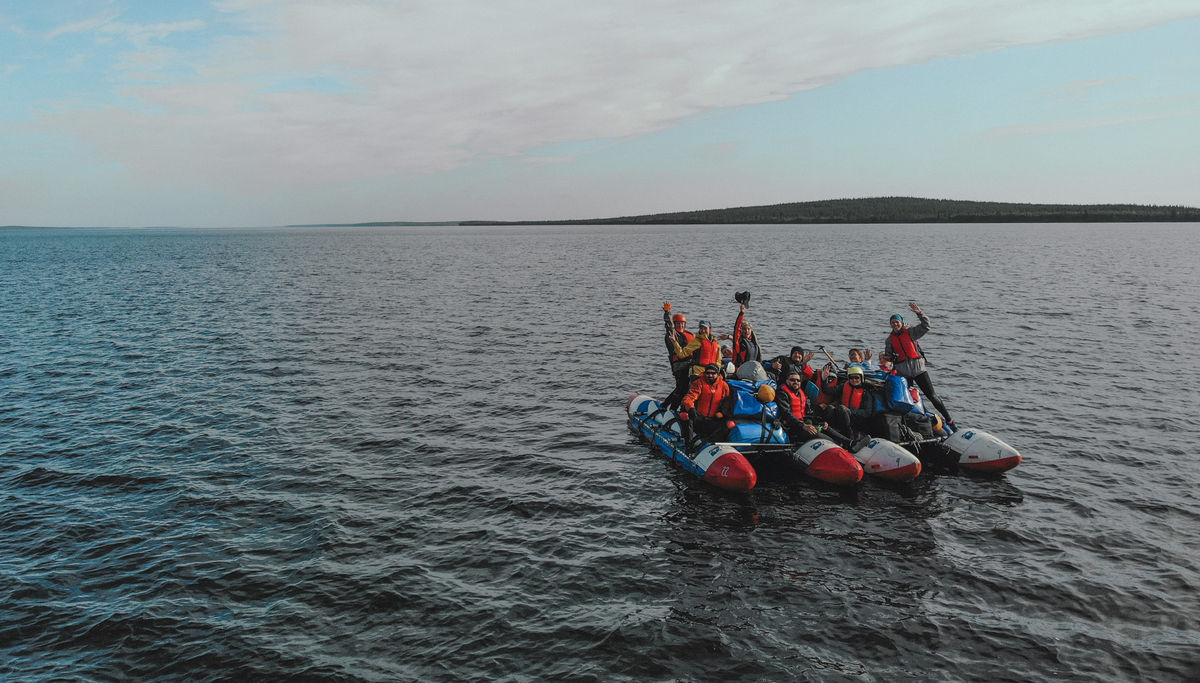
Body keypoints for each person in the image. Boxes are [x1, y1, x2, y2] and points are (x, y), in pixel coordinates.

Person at [885, 301, 953, 426]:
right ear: (890, 325)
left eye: (897, 322)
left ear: (901, 323)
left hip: (919, 370)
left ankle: (949, 420)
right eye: (892, 322)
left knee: (932, 395)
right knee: (908, 399)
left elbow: (926, 326)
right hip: (903, 372)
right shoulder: (889, 340)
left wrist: (920, 313)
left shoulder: (911, 333)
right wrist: (888, 357)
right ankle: (917, 419)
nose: (895, 324)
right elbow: (888, 356)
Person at [776, 370, 856, 448]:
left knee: (825, 427)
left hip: (802, 423)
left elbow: (805, 412)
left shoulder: (799, 393)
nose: (796, 382)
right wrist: (803, 426)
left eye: (798, 380)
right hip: (792, 427)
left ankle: (850, 443)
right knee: (821, 436)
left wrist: (817, 421)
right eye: (792, 380)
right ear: (786, 381)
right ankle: (840, 446)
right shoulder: (782, 393)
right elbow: (786, 413)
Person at [679, 363, 732, 447]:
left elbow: (726, 403)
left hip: (713, 419)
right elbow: (689, 398)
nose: (710, 375)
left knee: (729, 424)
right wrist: (691, 408)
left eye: (713, 373)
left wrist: (722, 413)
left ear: (718, 374)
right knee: (685, 415)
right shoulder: (699, 383)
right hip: (699, 418)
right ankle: (688, 445)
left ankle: (711, 443)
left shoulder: (724, 386)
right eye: (708, 373)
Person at [662, 302, 694, 411]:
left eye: (682, 323)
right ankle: (671, 408)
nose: (680, 325)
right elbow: (669, 325)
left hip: (690, 365)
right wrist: (667, 313)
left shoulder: (689, 334)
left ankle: (667, 405)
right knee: (681, 388)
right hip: (679, 366)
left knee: (684, 388)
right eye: (678, 323)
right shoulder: (672, 335)